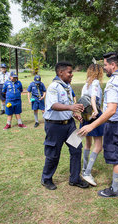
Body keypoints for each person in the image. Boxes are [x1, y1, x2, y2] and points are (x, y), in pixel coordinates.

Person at [78, 52, 118, 198]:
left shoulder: (114, 82)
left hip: (115, 124)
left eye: (106, 65)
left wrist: (91, 126)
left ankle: (114, 189)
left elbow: (111, 110)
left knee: (116, 157)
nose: (105, 68)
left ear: (113, 65)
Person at [41, 61, 89, 190]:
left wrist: (73, 113)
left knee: (76, 149)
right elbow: (53, 105)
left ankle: (75, 179)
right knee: (53, 154)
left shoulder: (67, 87)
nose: (72, 75)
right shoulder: (53, 87)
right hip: (55, 127)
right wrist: (71, 106)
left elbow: (65, 104)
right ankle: (46, 179)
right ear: (60, 72)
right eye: (69, 72)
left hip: (69, 125)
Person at [80, 64, 105, 186]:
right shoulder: (95, 83)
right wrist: (96, 111)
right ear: (99, 72)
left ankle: (84, 169)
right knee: (98, 146)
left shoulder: (86, 84)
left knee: (88, 144)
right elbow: (93, 99)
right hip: (94, 114)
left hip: (85, 115)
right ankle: (87, 172)